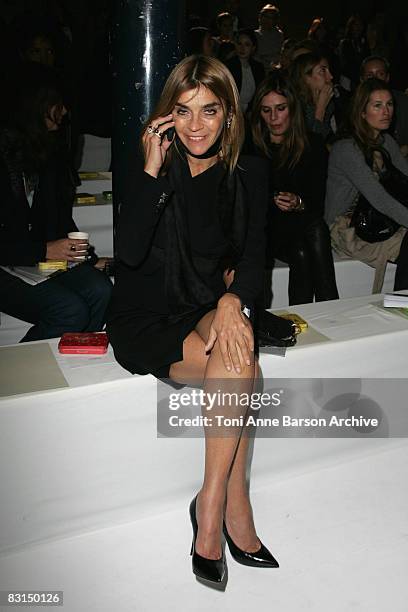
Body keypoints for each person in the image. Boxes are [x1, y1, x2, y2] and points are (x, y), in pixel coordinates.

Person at [106, 54, 278, 584]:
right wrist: (151, 171)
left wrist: (233, 303)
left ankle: (212, 503)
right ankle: (230, 508)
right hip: (145, 320)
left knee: (235, 345)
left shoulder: (249, 172)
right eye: (183, 112)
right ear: (166, 117)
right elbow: (129, 252)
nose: (196, 126)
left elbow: (253, 262)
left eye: (209, 111)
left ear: (228, 114)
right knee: (243, 363)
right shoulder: (149, 167)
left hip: (203, 307)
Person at [0, 63, 112, 342]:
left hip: (31, 261)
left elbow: (56, 218)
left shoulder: (46, 151)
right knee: (68, 309)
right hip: (10, 261)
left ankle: (76, 367)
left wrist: (86, 258)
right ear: (35, 105)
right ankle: (19, 382)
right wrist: (43, 249)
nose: (64, 111)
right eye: (57, 103)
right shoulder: (6, 156)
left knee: (101, 290)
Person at [250, 70, 338, 305]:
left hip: (302, 224)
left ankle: (304, 315)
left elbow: (317, 200)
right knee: (312, 233)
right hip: (268, 229)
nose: (274, 117)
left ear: (292, 108)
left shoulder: (312, 145)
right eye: (266, 110)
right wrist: (272, 199)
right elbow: (246, 201)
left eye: (281, 108)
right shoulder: (251, 148)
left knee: (303, 246)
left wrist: (298, 202)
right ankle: (330, 307)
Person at [325, 78, 408, 293]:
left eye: (389, 104)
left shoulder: (386, 142)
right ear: (362, 111)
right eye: (377, 105)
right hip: (347, 228)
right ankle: (402, 300)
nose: (386, 111)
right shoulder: (346, 148)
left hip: (379, 220)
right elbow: (379, 198)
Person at [290, 51, 349, 145]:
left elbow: (326, 138)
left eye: (329, 70)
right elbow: (312, 144)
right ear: (306, 77)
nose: (331, 77)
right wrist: (320, 110)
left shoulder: (329, 103)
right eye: (323, 71)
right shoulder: (295, 106)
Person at [360, 55, 408, 156]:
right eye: (369, 75)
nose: (375, 79)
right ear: (362, 79)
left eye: (380, 74)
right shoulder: (355, 104)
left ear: (387, 77)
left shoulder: (403, 101)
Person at [225, 28, 265, 114]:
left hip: (251, 112)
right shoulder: (229, 65)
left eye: (247, 44)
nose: (242, 48)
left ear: (253, 48)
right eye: (239, 44)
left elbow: (260, 92)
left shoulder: (258, 67)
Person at [254, 4, 283, 71]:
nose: (267, 20)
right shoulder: (254, 35)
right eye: (265, 17)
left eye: (271, 18)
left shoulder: (279, 35)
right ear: (260, 18)